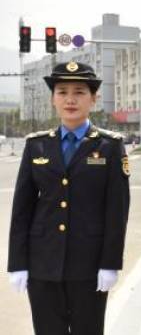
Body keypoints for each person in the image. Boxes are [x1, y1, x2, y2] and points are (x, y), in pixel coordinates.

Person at [7, 61, 130, 335]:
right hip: (42, 264)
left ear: (93, 99)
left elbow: (116, 211)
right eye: (62, 92)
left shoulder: (109, 146)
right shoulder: (36, 145)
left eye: (79, 91)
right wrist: (18, 263)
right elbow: (22, 210)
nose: (70, 99)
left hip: (89, 266)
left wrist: (110, 263)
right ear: (53, 99)